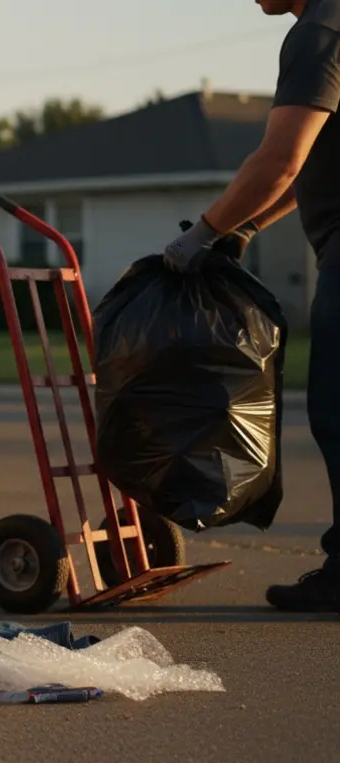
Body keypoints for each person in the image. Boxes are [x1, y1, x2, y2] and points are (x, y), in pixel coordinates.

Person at [162, 0, 340, 612]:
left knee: (338, 412)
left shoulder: (320, 31)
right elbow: (305, 162)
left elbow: (279, 159)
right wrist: (245, 225)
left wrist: (201, 233)